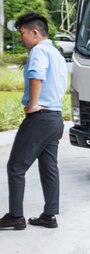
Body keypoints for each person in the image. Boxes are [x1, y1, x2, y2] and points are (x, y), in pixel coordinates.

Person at [0, 13, 68, 230]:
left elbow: (36, 76)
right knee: (49, 168)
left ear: (35, 33)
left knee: (16, 167)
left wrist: (33, 104)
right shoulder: (55, 52)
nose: (21, 38)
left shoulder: (39, 51)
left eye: (22, 33)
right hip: (55, 117)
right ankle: (49, 216)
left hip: (40, 117)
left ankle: (15, 216)